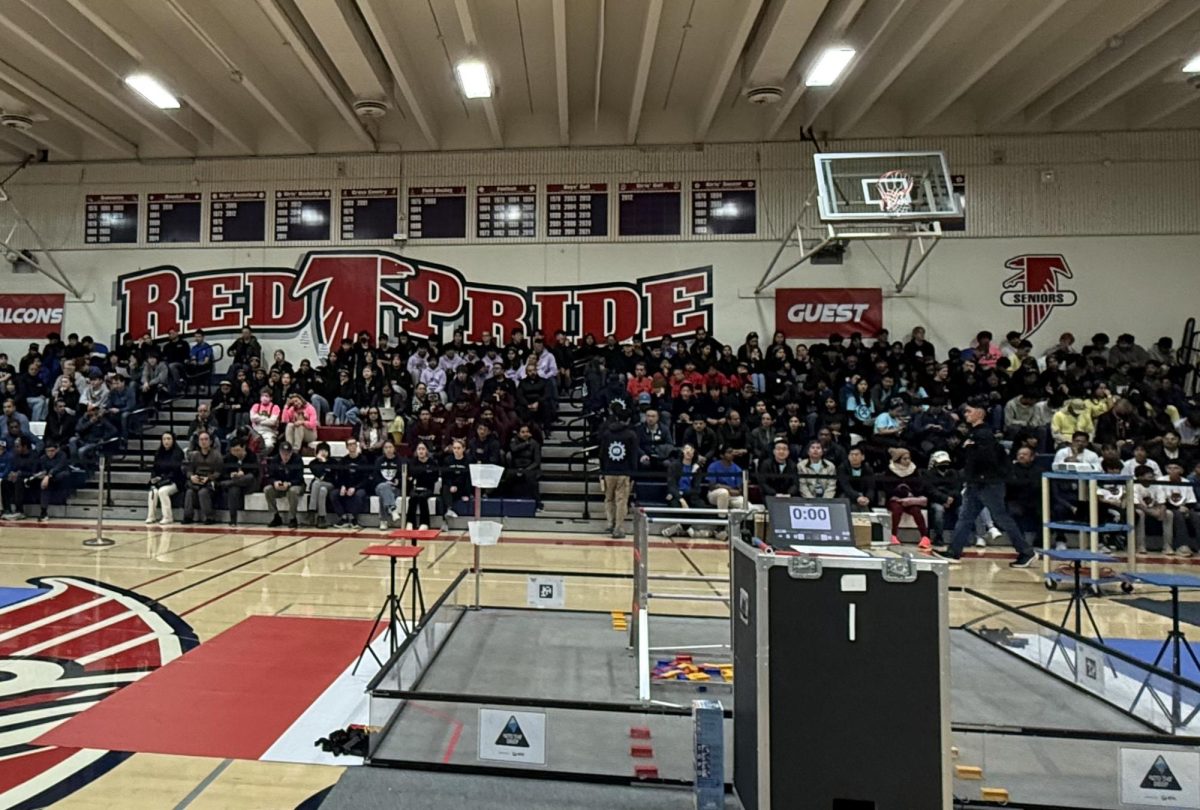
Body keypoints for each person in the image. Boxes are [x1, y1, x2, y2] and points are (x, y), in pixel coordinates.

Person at [935, 397, 1036, 566]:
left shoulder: (984, 434)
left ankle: (1026, 552)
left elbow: (987, 459)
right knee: (965, 517)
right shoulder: (976, 433)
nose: (966, 413)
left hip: (988, 484)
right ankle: (954, 552)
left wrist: (975, 464)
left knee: (1001, 517)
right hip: (976, 483)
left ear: (980, 413)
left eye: (969, 411)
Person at [597, 404, 638, 539]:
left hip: (608, 471)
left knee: (608, 498)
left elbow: (602, 454)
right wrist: (633, 474)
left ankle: (610, 523)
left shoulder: (607, 433)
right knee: (621, 500)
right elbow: (633, 456)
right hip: (624, 472)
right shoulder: (631, 435)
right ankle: (619, 528)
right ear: (628, 420)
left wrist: (602, 472)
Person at [882, 447, 931, 548]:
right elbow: (887, 487)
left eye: (909, 458)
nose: (908, 461)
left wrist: (910, 494)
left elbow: (919, 486)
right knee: (897, 509)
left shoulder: (914, 470)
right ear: (898, 459)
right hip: (895, 498)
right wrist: (901, 493)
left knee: (916, 510)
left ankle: (924, 537)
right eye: (905, 459)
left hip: (910, 499)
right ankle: (893, 535)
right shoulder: (890, 470)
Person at [332, 438, 373, 528]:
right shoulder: (343, 461)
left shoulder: (363, 460)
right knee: (334, 494)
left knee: (359, 494)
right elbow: (339, 476)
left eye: (354, 444)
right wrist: (342, 486)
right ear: (347, 447)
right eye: (350, 444)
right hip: (346, 486)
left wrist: (355, 488)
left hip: (359, 487)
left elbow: (366, 478)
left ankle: (354, 518)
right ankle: (343, 518)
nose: (352, 446)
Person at [218, 438, 259, 527]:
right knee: (233, 489)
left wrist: (243, 473)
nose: (235, 453)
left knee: (249, 477)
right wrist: (231, 475)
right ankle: (233, 519)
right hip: (235, 483)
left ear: (244, 448)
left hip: (249, 484)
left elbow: (255, 473)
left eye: (237, 450)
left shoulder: (252, 456)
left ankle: (229, 483)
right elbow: (223, 473)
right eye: (233, 451)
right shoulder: (228, 457)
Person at [183, 430, 222, 525]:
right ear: (198, 442)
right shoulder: (194, 455)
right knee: (189, 492)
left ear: (210, 442)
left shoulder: (217, 455)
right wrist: (191, 476)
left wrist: (209, 478)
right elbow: (189, 470)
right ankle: (188, 517)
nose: (203, 441)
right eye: (201, 439)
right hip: (196, 481)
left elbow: (218, 472)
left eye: (206, 439)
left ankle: (209, 517)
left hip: (210, 482)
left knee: (203, 492)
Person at [263, 440, 305, 529]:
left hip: (295, 485)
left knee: (292, 491)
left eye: (287, 454)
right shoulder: (275, 460)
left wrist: (289, 483)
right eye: (283, 453)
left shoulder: (297, 459)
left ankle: (293, 518)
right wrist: (275, 482)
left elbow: (300, 478)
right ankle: (276, 516)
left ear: (291, 453)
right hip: (280, 486)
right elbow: (270, 476)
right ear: (279, 452)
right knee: (267, 490)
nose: (285, 456)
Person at [146, 432, 184, 525]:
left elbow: (176, 470)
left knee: (162, 491)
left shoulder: (178, 453)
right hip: (160, 481)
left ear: (173, 440)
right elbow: (154, 469)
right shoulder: (158, 453)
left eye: (168, 439)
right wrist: (154, 479)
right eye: (164, 439)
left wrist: (162, 478)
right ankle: (151, 516)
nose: (166, 441)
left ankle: (168, 517)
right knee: (153, 492)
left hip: (174, 481)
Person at [402, 442, 439, 530]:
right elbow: (411, 475)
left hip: (428, 488)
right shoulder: (413, 462)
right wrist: (423, 474)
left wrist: (420, 475)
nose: (421, 451)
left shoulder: (432, 463)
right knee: (413, 497)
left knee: (422, 497)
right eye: (419, 449)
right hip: (415, 488)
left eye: (423, 449)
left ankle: (425, 523)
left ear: (426, 451)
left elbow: (434, 477)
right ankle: (410, 522)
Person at [705, 445, 745, 516]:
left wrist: (722, 486)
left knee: (749, 507)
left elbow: (739, 491)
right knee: (724, 493)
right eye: (729, 452)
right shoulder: (713, 466)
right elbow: (711, 487)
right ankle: (722, 521)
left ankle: (733, 524)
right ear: (722, 455)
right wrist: (728, 489)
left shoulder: (737, 469)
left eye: (732, 452)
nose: (732, 454)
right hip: (715, 495)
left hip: (732, 496)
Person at [505, 424, 541, 502]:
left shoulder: (534, 443)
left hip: (530, 468)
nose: (525, 434)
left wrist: (525, 470)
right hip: (515, 467)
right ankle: (507, 502)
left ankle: (538, 503)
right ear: (518, 434)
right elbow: (513, 449)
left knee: (531, 479)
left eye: (527, 432)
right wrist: (526, 444)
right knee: (507, 476)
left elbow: (537, 462)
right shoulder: (514, 441)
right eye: (523, 432)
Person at [304, 441, 336, 528]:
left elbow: (331, 477)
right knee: (321, 489)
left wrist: (324, 462)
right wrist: (323, 465)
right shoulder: (313, 463)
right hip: (320, 487)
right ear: (317, 452)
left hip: (331, 485)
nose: (323, 453)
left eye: (325, 451)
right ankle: (321, 517)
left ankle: (311, 511)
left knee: (317, 483)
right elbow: (319, 474)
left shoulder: (333, 462)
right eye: (321, 450)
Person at [375, 440, 404, 530]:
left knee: (382, 496)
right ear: (383, 449)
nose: (388, 449)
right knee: (383, 486)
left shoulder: (400, 461)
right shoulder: (379, 461)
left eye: (390, 447)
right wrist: (385, 482)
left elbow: (403, 476)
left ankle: (383, 521)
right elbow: (375, 476)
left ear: (394, 448)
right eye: (386, 447)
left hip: (395, 488)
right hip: (380, 486)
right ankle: (393, 509)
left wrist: (398, 481)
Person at [440, 439, 472, 519]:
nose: (456, 450)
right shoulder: (447, 460)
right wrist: (451, 485)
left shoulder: (468, 460)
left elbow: (468, 478)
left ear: (463, 449)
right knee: (445, 488)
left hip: (462, 487)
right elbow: (446, 476)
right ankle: (449, 509)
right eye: (454, 448)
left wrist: (464, 492)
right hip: (451, 487)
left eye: (458, 448)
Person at [838, 446, 876, 511]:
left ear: (862, 457)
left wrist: (868, 498)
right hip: (847, 494)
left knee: (865, 506)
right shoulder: (842, 468)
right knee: (853, 507)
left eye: (856, 454)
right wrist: (857, 497)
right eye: (851, 455)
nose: (854, 457)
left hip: (863, 495)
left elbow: (871, 487)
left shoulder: (868, 469)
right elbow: (845, 486)